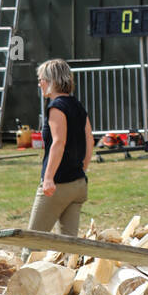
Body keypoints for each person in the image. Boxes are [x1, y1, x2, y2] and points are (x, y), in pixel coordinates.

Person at [26, 58, 94, 246]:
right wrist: (82, 168)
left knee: (33, 243)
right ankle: (70, 274)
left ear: (50, 81)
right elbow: (90, 140)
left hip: (58, 185)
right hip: (78, 185)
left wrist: (48, 179)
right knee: (68, 247)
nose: (39, 84)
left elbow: (58, 143)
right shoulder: (77, 105)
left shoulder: (57, 107)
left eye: (41, 79)